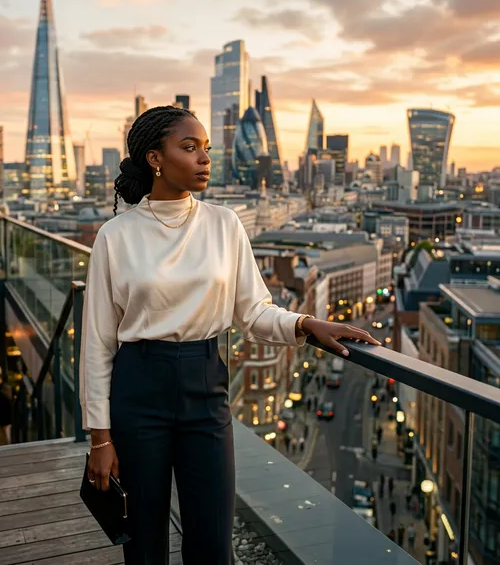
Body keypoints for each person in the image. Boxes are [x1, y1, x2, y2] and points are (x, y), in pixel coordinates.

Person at [80, 106, 381, 564]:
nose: (204, 158)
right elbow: (98, 345)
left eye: (207, 149)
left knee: (213, 546)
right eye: (189, 147)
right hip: (138, 390)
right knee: (144, 547)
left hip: (206, 386)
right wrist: (99, 440)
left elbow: (254, 311)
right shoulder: (115, 236)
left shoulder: (225, 224)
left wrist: (305, 324)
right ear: (154, 158)